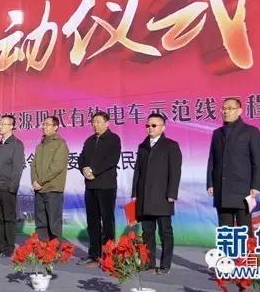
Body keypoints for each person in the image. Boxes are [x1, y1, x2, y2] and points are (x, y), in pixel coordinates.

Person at [131, 113, 182, 275]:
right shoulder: (143, 146)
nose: (150, 128)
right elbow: (137, 172)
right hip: (144, 197)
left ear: (163, 127)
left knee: (165, 231)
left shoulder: (171, 145)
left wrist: (172, 193)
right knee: (147, 231)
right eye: (147, 125)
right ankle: (149, 262)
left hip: (163, 196)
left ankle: (165, 264)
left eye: (154, 125)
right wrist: (134, 193)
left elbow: (175, 172)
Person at [207, 98, 260, 230]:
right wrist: (210, 183)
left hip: (243, 189)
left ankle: (247, 245)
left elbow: (257, 161)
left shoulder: (251, 131)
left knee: (244, 229)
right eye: (224, 109)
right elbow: (212, 160)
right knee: (225, 230)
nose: (226, 111)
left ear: (239, 111)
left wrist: (256, 186)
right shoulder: (217, 133)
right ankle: (228, 245)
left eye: (230, 108)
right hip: (221, 189)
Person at [77, 111, 121, 266]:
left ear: (107, 123)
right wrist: (84, 169)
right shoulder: (89, 140)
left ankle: (109, 256)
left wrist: (94, 171)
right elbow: (81, 158)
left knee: (107, 221)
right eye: (93, 122)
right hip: (90, 186)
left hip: (106, 186)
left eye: (98, 121)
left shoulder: (113, 139)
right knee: (93, 221)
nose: (95, 124)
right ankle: (94, 254)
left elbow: (112, 160)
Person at [0, 115, 25, 257]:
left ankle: (9, 248)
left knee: (9, 218)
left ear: (11, 126)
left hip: (8, 187)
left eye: (3, 124)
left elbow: (17, 168)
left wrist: (12, 188)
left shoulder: (16, 144)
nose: (0, 126)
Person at [31, 116, 69, 241]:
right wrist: (34, 181)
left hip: (53, 189)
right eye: (43, 124)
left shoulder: (60, 144)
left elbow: (56, 167)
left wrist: (40, 181)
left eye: (47, 124)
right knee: (41, 223)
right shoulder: (40, 145)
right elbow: (33, 165)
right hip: (39, 189)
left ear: (55, 127)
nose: (44, 126)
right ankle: (43, 248)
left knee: (54, 223)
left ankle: (55, 249)